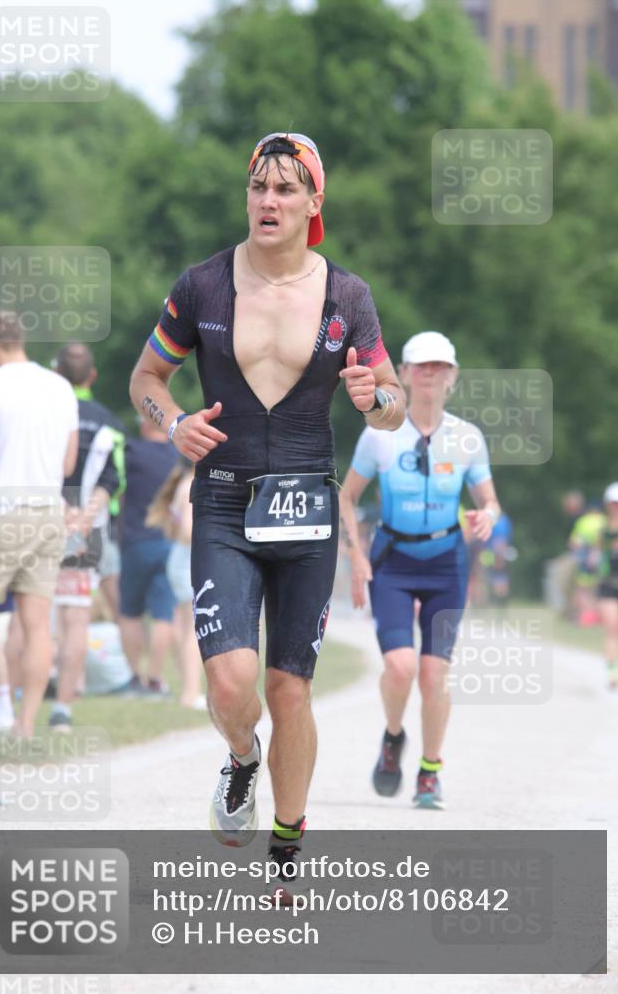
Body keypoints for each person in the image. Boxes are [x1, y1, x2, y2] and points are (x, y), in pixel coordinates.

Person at [128, 131, 405, 897]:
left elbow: (392, 405)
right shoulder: (205, 285)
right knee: (229, 685)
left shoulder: (347, 297)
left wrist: (376, 399)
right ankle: (242, 757)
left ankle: (286, 844)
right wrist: (170, 420)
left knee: (290, 687)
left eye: (285, 189)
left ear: (314, 203)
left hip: (307, 511)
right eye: (259, 188)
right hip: (221, 501)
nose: (268, 201)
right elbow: (147, 375)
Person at [339, 331, 500, 809]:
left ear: (452, 376)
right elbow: (346, 496)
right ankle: (393, 738)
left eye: (440, 367)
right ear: (404, 375)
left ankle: (430, 771)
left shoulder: (467, 438)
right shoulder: (379, 435)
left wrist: (487, 516)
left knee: (433, 675)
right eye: (421, 366)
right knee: (400, 665)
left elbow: (488, 500)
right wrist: (357, 556)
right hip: (393, 560)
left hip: (446, 562)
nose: (431, 374)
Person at [0, 312, 78, 738]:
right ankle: (25, 726)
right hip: (49, 510)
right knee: (36, 625)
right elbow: (68, 464)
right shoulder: (60, 386)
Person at [49, 343, 124, 730]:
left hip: (37, 523)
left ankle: (5, 707)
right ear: (91, 377)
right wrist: (84, 516)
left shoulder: (44, 413)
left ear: (56, 374)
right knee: (76, 619)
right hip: (85, 532)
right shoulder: (109, 423)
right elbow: (115, 481)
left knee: (29, 619)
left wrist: (62, 510)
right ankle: (63, 706)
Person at [118, 416, 180, 696]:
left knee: (130, 612)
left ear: (144, 424)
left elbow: (117, 491)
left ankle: (135, 677)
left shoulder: (130, 452)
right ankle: (155, 680)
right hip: (167, 542)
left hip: (134, 541)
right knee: (163, 615)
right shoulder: (178, 458)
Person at [146, 461, 206, 709]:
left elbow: (174, 529)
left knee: (184, 629)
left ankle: (188, 690)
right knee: (194, 630)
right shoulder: (192, 485)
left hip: (179, 559)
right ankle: (192, 693)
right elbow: (186, 531)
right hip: (188, 560)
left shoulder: (182, 483)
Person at [596, 482, 618, 689]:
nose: (616, 507)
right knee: (612, 628)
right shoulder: (603, 529)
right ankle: (612, 671)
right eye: (613, 503)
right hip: (609, 584)